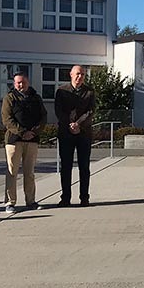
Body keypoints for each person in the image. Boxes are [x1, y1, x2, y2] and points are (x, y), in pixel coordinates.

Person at [1, 72, 48, 213]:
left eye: (23, 82)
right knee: (12, 172)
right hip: (14, 141)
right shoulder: (9, 98)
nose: (21, 85)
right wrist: (22, 132)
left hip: (32, 140)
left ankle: (31, 201)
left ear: (28, 82)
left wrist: (34, 131)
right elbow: (7, 119)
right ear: (14, 84)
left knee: (30, 172)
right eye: (18, 83)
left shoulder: (36, 98)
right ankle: (10, 202)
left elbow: (43, 117)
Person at [54, 65, 96, 207]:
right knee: (66, 167)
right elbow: (59, 111)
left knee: (84, 167)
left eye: (83, 74)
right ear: (71, 74)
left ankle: (84, 198)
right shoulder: (62, 91)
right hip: (66, 133)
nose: (80, 77)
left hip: (83, 134)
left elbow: (91, 111)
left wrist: (78, 124)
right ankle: (65, 198)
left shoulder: (89, 92)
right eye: (77, 74)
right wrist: (70, 125)